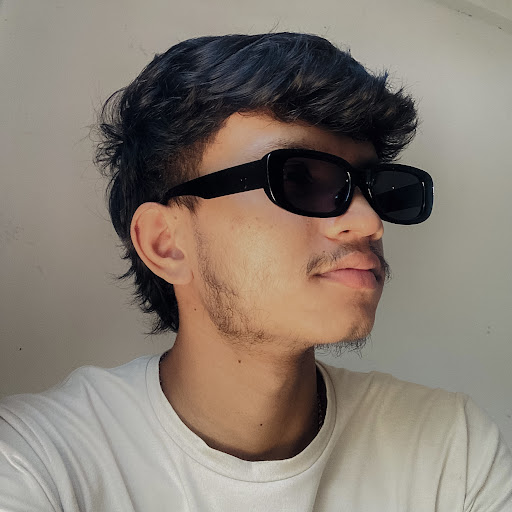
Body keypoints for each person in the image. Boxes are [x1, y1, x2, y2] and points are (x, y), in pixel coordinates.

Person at [1, 32, 511, 511]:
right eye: (300, 179)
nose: (369, 222)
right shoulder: (37, 462)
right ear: (166, 244)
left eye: (379, 189)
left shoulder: (452, 451)